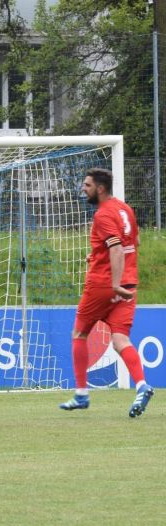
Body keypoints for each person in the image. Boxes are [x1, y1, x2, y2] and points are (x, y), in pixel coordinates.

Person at [59, 168, 154, 417]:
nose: (84, 188)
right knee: (120, 339)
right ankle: (142, 385)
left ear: (100, 188)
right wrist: (103, 258)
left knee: (79, 332)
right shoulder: (125, 209)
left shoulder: (103, 215)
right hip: (130, 283)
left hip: (104, 284)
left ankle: (81, 394)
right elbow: (136, 242)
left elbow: (117, 249)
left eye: (87, 185)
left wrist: (113, 282)